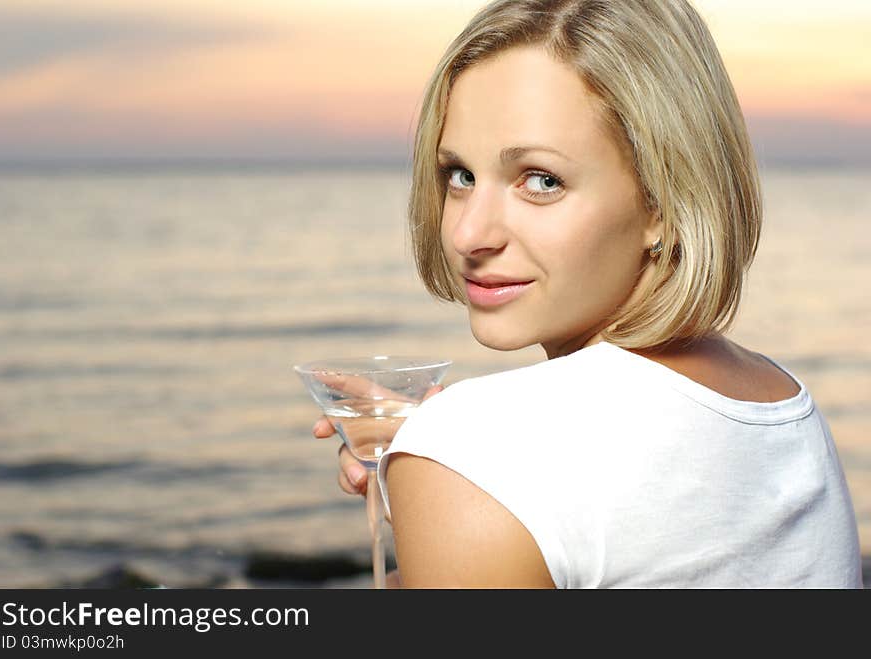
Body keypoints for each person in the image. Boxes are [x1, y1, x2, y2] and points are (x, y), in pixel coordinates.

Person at [313, 0, 862, 588]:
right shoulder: (782, 404)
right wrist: (432, 482)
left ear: (662, 200)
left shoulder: (477, 446)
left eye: (542, 181)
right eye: (459, 175)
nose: (468, 233)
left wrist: (453, 463)